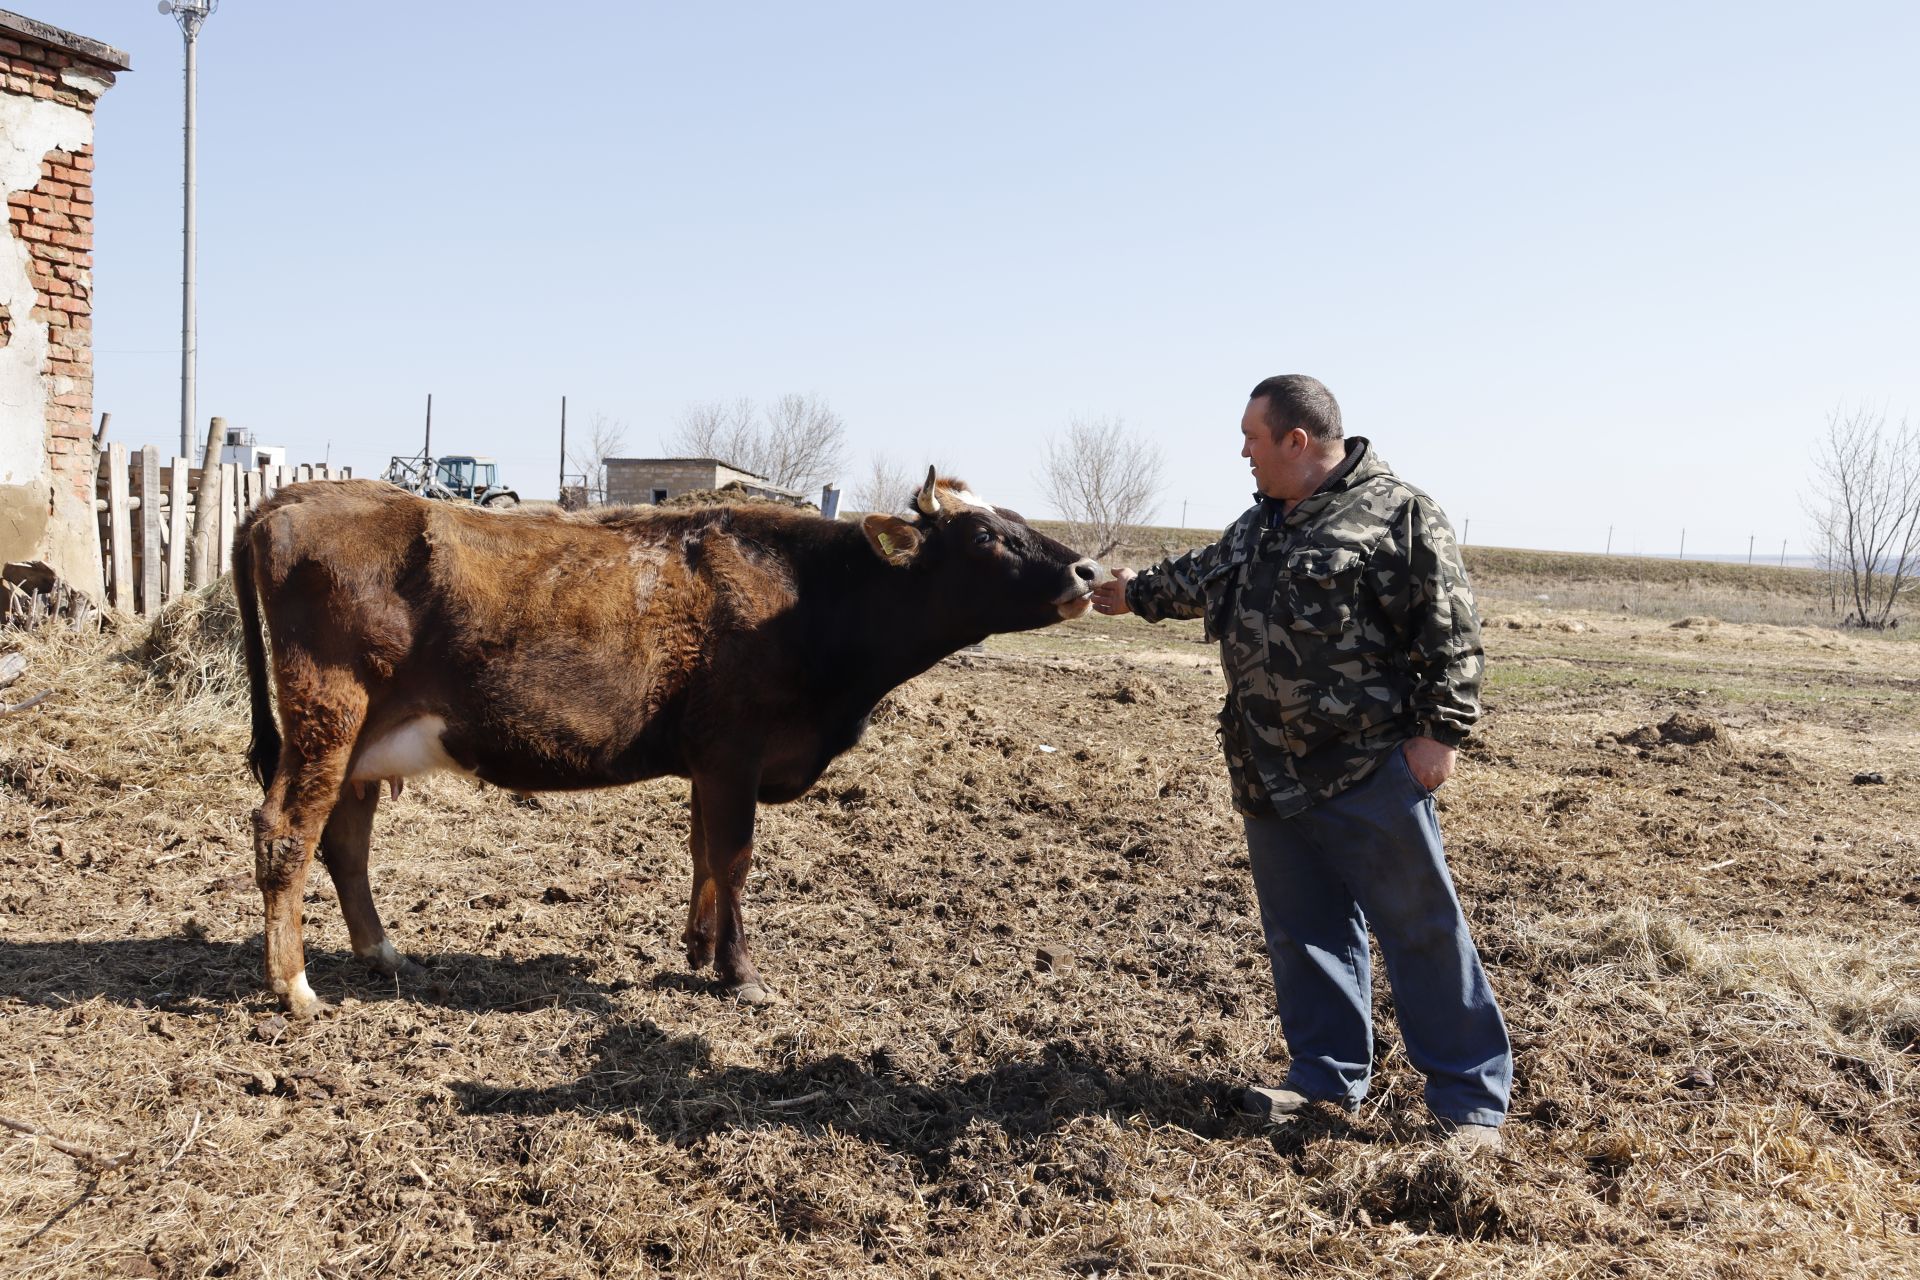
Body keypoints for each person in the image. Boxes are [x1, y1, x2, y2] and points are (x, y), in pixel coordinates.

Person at [1091, 374, 1511, 1153]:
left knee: (1421, 931)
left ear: (1297, 440)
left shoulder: (1399, 514)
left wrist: (1437, 740)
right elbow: (1199, 578)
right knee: (1304, 933)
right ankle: (1324, 1079)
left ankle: (1469, 1104)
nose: (1242, 452)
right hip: (1267, 770)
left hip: (1365, 768)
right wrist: (1126, 593)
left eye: (1252, 437)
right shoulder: (1259, 524)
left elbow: (1449, 633)